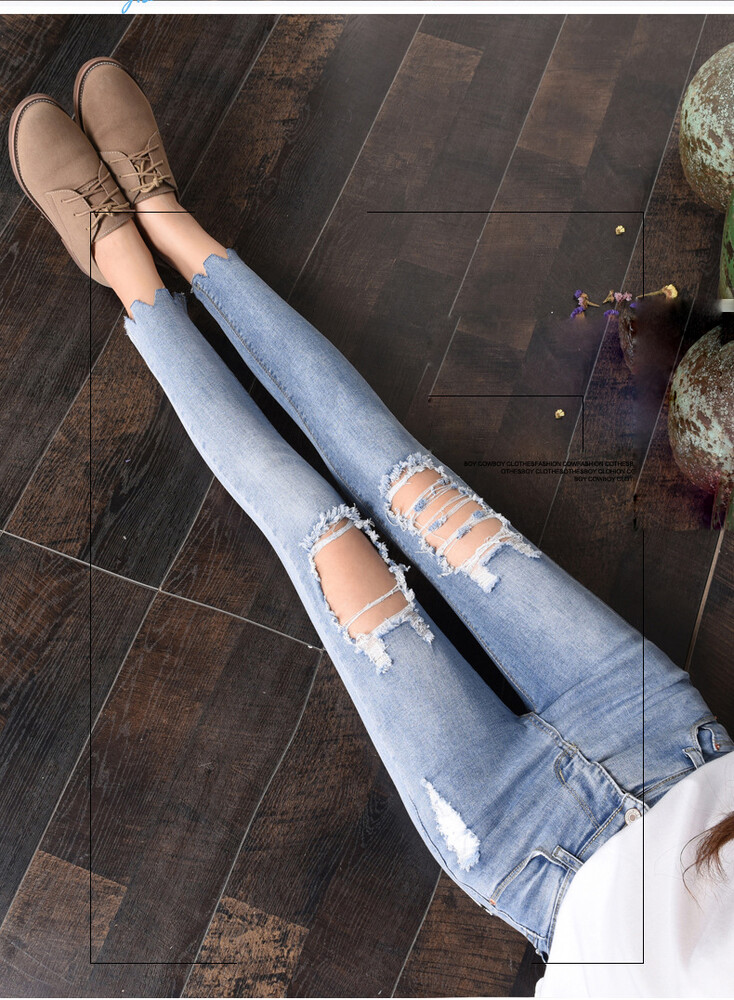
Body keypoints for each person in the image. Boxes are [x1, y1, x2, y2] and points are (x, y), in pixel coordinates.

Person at [9, 57, 734, 997]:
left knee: (323, 539)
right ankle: (166, 219)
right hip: (672, 747)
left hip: (528, 851)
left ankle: (120, 263)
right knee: (410, 483)